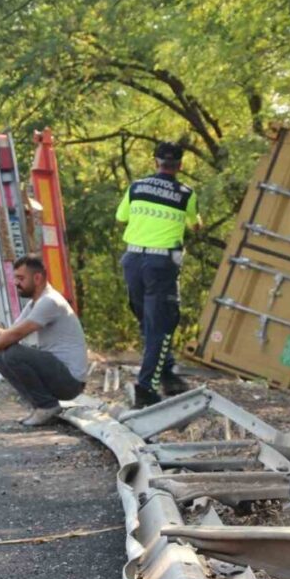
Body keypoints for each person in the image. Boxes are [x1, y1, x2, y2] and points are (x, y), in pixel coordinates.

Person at [115, 141, 201, 407]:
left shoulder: (136, 187)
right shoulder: (186, 194)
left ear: (155, 162)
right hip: (161, 264)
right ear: (180, 165)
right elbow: (194, 224)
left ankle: (168, 374)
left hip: (132, 260)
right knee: (160, 324)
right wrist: (194, 223)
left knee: (149, 321)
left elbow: (121, 217)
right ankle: (147, 388)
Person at [0, 256, 87, 426]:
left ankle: (47, 406)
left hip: (70, 382)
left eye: (21, 278)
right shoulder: (34, 304)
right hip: (58, 375)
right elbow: (7, 336)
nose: (16, 283)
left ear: (37, 278)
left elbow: (15, 335)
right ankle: (40, 406)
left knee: (13, 354)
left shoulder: (50, 301)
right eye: (15, 278)